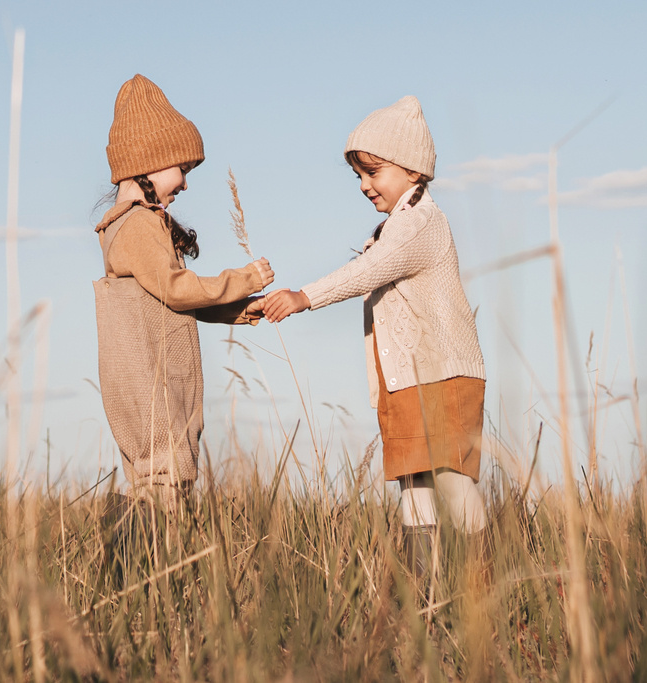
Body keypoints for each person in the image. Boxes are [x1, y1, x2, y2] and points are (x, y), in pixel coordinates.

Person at [258, 94, 488, 565]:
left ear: (413, 170)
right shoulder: (395, 227)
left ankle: (480, 580)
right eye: (359, 175)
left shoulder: (420, 222)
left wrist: (304, 297)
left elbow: (368, 271)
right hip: (407, 381)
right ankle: (428, 595)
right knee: (413, 485)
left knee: (450, 478)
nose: (364, 185)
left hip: (441, 375)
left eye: (373, 171)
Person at [94, 73, 274, 509]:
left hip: (157, 382)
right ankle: (141, 568)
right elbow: (178, 290)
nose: (186, 184)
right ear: (150, 162)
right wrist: (245, 278)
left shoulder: (139, 225)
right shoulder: (134, 225)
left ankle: (134, 567)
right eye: (184, 169)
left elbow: (176, 300)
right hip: (151, 385)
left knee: (162, 482)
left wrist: (241, 310)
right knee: (163, 483)